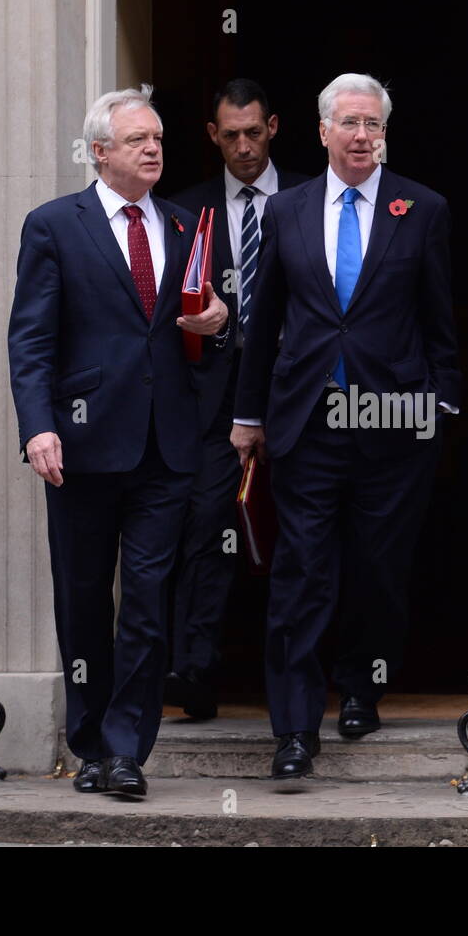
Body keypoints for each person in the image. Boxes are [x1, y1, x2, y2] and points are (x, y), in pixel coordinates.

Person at [231, 73, 461, 778]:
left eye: (373, 124)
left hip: (394, 426)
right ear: (323, 130)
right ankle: (295, 731)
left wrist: (441, 403)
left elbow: (438, 321)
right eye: (350, 123)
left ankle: (362, 686)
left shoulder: (421, 208)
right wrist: (248, 414)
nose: (362, 135)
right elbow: (263, 319)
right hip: (307, 424)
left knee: (378, 570)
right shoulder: (288, 212)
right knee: (301, 575)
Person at [8, 85, 229, 796]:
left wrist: (220, 322)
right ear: (99, 151)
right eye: (138, 139)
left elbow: (213, 332)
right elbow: (31, 340)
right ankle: (90, 740)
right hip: (80, 443)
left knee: (146, 597)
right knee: (81, 597)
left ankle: (127, 747)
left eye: (158, 137)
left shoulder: (186, 224)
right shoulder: (54, 225)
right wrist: (38, 425)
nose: (154, 148)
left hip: (166, 447)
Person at [165, 79, 310, 720]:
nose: (245, 147)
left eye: (254, 132)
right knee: (205, 533)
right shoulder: (183, 211)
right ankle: (195, 674)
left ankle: (309, 684)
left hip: (304, 395)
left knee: (307, 538)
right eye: (231, 136)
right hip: (211, 406)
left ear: (274, 126)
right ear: (212, 136)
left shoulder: (311, 200)